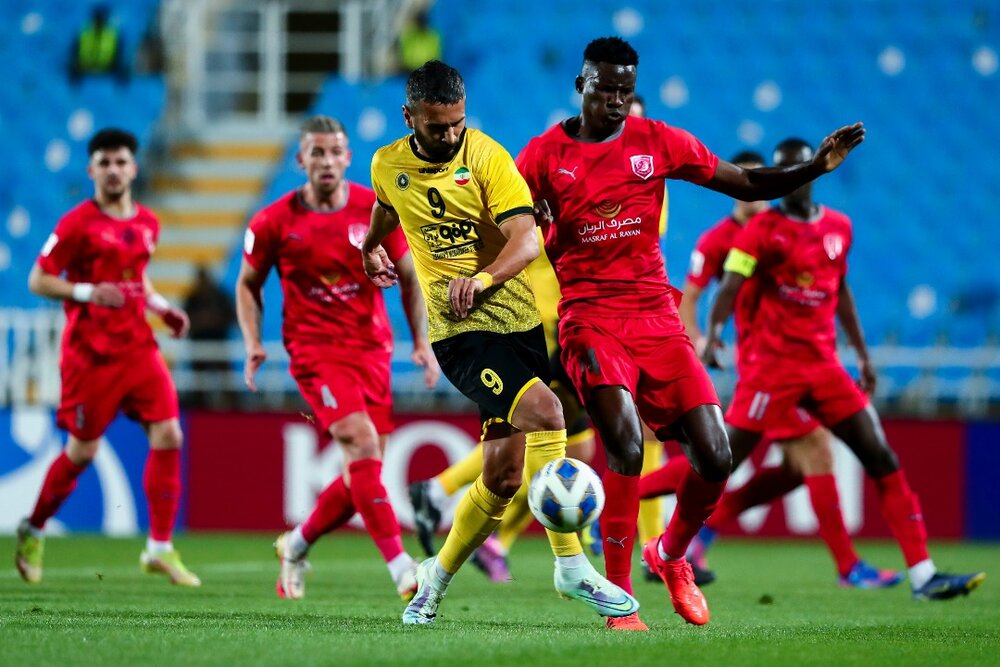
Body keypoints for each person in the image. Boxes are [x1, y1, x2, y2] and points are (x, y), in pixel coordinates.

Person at [515, 36, 865, 628]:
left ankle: (670, 553)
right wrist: (530, 228)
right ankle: (619, 599)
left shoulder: (657, 142)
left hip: (655, 314)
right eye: (607, 91)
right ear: (581, 87)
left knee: (716, 455)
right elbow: (506, 231)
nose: (618, 103)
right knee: (625, 443)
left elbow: (746, 184)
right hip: (589, 317)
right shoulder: (543, 157)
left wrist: (813, 168)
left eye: (626, 92)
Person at [362, 60, 638, 627]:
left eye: (457, 123)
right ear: (408, 117)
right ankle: (571, 565)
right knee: (549, 411)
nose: (450, 135)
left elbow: (526, 241)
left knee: (503, 478)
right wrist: (370, 246)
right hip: (460, 333)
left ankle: (431, 583)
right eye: (437, 127)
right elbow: (387, 204)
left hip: (517, 325)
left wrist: (483, 279)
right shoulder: (388, 164)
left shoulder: (487, 157)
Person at [703, 138, 986, 601]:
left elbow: (843, 292)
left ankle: (923, 574)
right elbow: (731, 285)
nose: (795, 176)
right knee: (718, 462)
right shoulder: (759, 231)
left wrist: (863, 354)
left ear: (815, 171)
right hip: (772, 370)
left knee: (881, 458)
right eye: (785, 169)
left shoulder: (839, 227)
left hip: (824, 366)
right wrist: (715, 332)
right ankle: (668, 545)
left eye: (802, 167)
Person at [643, 149, 901, 589]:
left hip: (788, 364)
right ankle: (848, 567)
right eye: (748, 185)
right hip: (768, 366)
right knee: (807, 453)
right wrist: (699, 343)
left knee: (790, 469)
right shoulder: (721, 240)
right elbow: (691, 296)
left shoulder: (777, 231)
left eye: (762, 185)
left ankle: (690, 524)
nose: (755, 196)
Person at [236, 115, 438, 601]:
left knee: (360, 477)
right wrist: (252, 342)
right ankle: (402, 569)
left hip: (371, 351)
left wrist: (421, 343)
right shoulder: (273, 222)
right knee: (362, 444)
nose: (325, 161)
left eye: (335, 152)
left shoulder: (374, 209)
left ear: (348, 158)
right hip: (314, 353)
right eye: (316, 152)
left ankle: (296, 545)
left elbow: (410, 276)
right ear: (300, 159)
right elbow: (247, 284)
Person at [16, 128, 198, 587]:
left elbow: (138, 280)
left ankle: (159, 547)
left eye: (121, 162)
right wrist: (84, 291)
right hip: (90, 356)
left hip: (138, 348)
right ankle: (33, 528)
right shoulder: (77, 224)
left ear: (133, 168)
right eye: (105, 163)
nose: (114, 170)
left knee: (170, 433)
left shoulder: (148, 223)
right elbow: (38, 280)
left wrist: (162, 309)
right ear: (91, 170)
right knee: (82, 450)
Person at [182, 264, 236, 408]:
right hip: (199, 346)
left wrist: (214, 320)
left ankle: (232, 406)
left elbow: (232, 318)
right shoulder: (192, 299)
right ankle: (200, 407)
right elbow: (184, 322)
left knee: (226, 380)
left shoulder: (221, 297)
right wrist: (202, 321)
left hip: (219, 345)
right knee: (199, 381)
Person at [69, 4, 128, 84]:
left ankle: (120, 93)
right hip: (86, 66)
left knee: (124, 69)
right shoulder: (83, 33)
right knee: (72, 68)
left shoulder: (114, 35)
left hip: (107, 67)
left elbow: (119, 55)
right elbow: (74, 52)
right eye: (98, 18)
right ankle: (73, 93)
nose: (100, 22)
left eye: (102, 19)